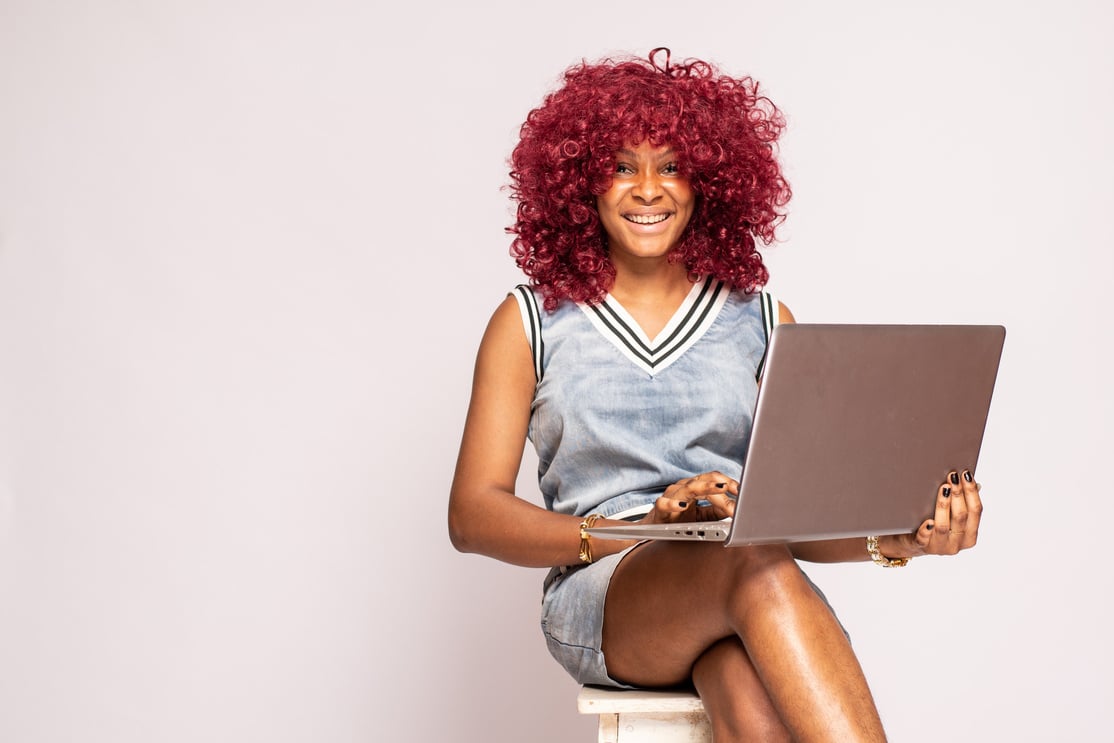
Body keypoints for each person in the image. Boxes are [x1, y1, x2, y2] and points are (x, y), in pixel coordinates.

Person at [448, 48, 982, 742]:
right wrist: (639, 530)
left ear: (709, 181)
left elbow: (795, 517)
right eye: (620, 166)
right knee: (754, 561)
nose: (647, 188)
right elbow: (472, 513)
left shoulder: (762, 322)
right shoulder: (530, 321)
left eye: (671, 165)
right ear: (581, 181)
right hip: (608, 588)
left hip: (742, 583)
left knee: (747, 694)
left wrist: (899, 537)